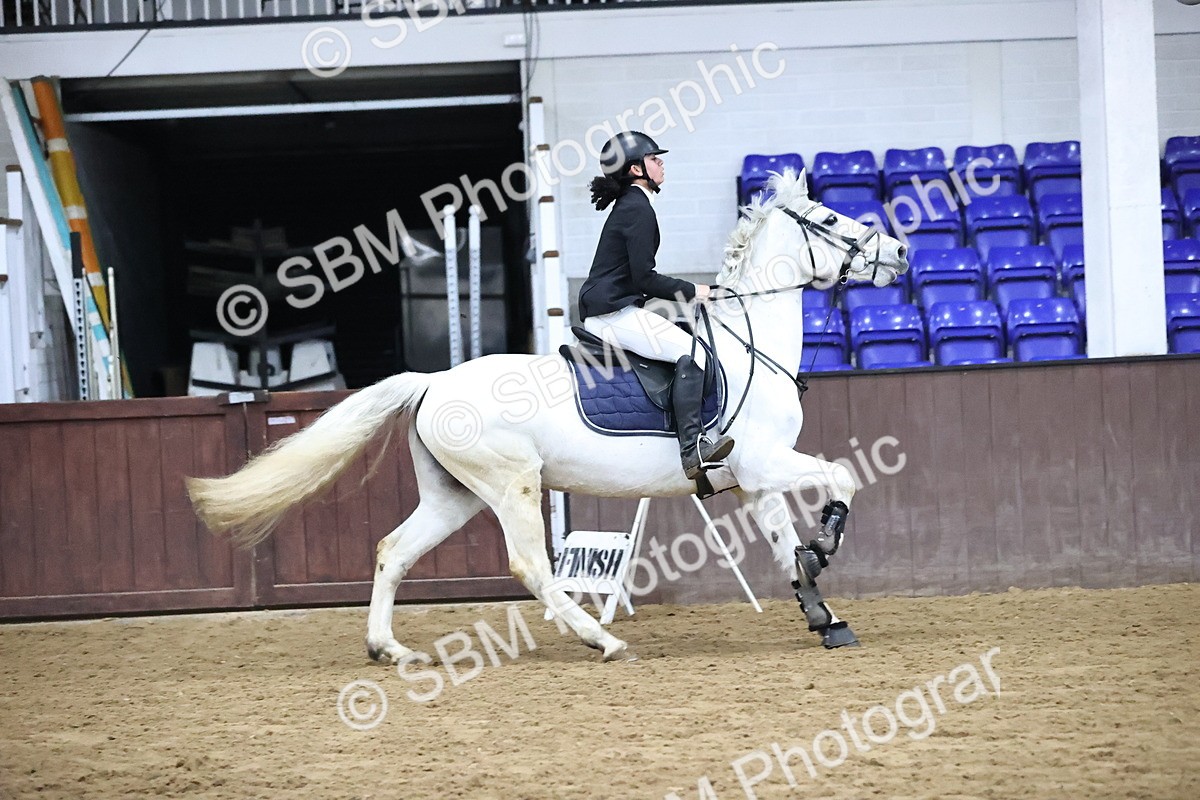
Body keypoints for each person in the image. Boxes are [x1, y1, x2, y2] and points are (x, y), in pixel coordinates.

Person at [577, 131, 734, 480]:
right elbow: (646, 279)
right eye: (654, 159)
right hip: (612, 314)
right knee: (696, 355)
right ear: (636, 169)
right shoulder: (637, 208)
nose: (661, 163)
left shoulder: (634, 205)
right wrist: (701, 290)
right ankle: (693, 449)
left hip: (615, 309)